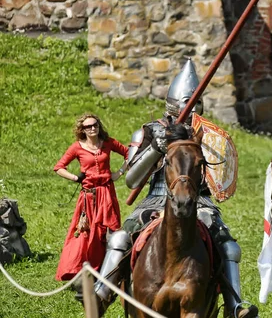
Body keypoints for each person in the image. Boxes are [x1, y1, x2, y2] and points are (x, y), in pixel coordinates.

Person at [92, 60, 258, 318]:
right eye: (188, 101)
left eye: (197, 102)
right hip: (154, 201)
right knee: (121, 238)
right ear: (174, 102)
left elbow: (216, 178)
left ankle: (234, 306)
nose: (194, 107)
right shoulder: (150, 131)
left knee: (227, 246)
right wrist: (155, 150)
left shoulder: (206, 135)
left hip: (199, 201)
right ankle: (102, 292)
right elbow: (132, 181)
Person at [54, 114, 128, 281]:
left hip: (107, 193)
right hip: (89, 196)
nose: (93, 128)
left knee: (110, 230)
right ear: (83, 130)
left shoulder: (108, 143)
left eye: (95, 125)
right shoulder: (77, 147)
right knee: (86, 231)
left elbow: (129, 154)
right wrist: (75, 178)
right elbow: (59, 167)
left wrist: (119, 172)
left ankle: (109, 267)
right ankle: (81, 267)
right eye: (88, 127)